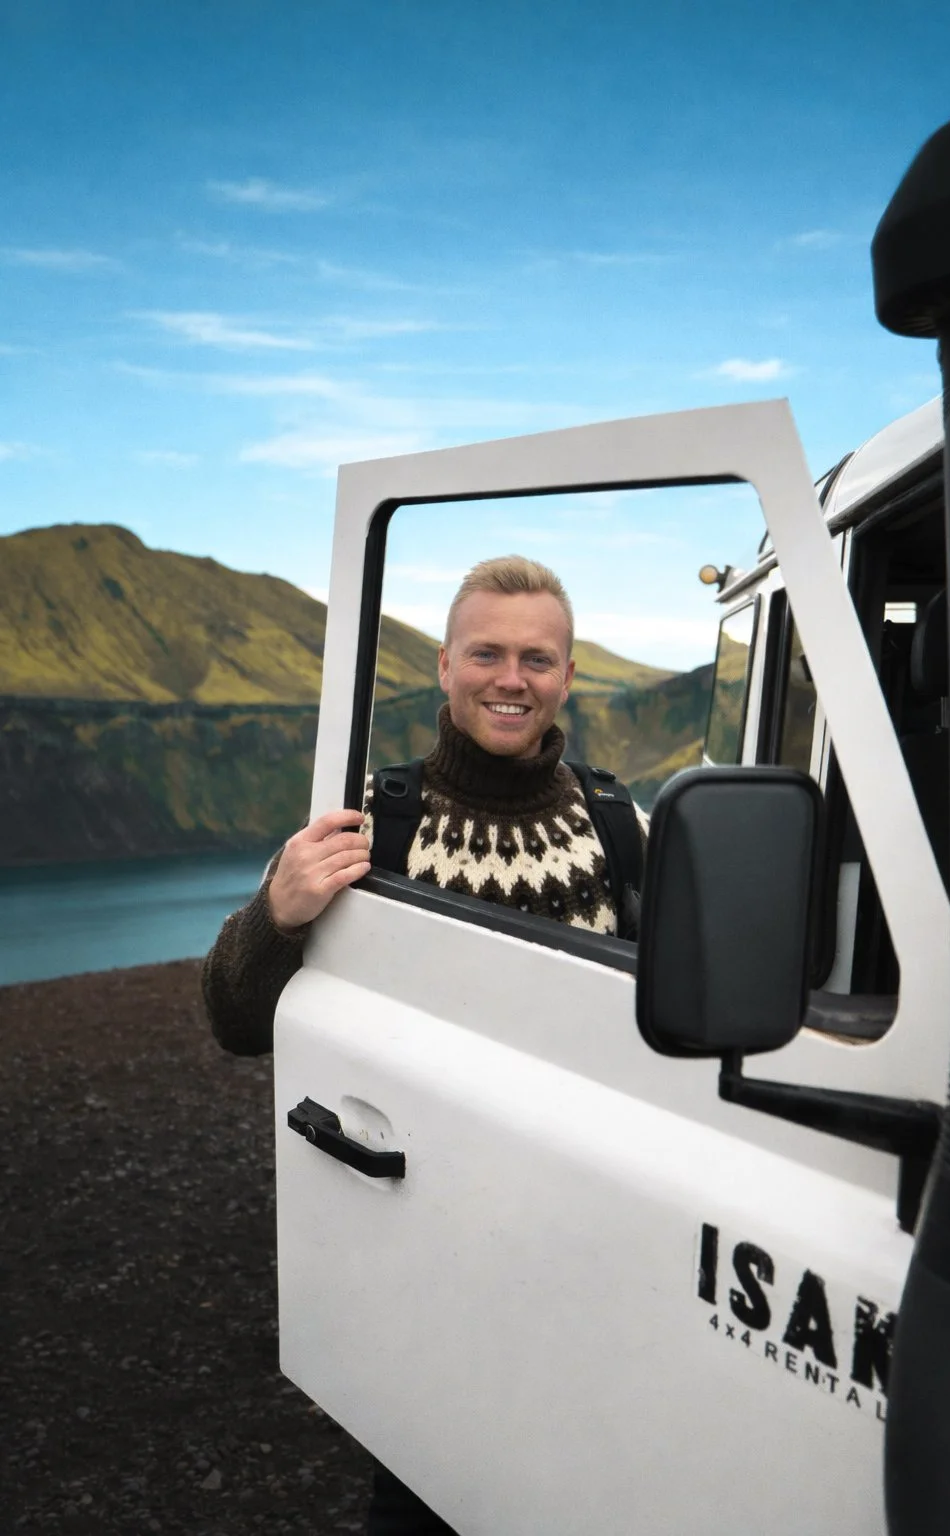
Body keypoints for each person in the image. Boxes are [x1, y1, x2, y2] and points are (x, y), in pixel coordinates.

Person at [202, 554, 647, 1534]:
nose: (510, 678)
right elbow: (234, 1020)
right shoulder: (367, 823)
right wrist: (274, 913)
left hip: (585, 1241)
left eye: (537, 658)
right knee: (425, 1489)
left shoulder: (620, 831)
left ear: (566, 677)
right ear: (444, 667)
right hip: (419, 1239)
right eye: (486, 652)